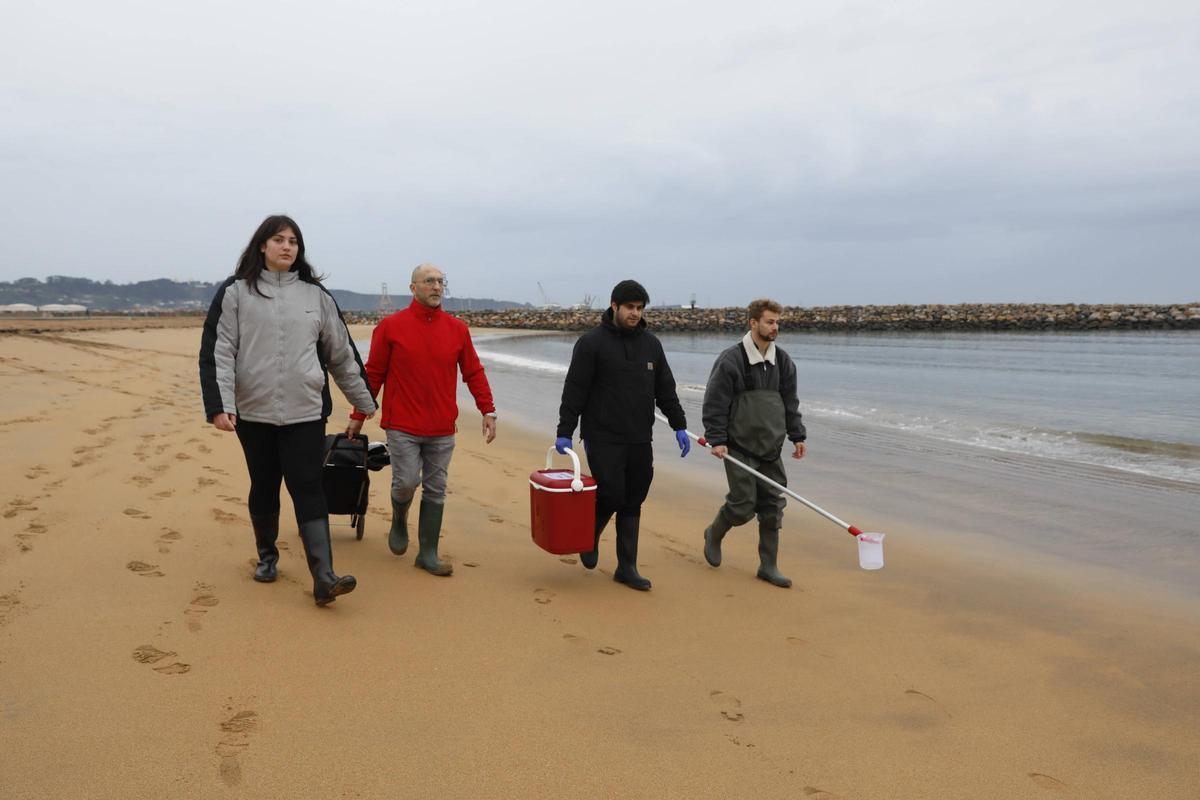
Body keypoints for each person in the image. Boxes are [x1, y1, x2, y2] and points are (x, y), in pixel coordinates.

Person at [199, 215, 378, 606]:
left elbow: (341, 354)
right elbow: (219, 352)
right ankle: (267, 557)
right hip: (254, 413)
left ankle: (324, 577)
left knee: (308, 485)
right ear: (262, 245)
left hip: (306, 411)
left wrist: (363, 401)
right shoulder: (236, 292)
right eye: (279, 239)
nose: (287, 247)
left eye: (293, 241)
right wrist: (220, 405)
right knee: (264, 484)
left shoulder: (316, 296)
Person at [346, 263, 496, 577]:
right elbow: (374, 374)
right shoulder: (391, 327)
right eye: (429, 281)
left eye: (441, 281)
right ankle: (399, 518)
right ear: (413, 288)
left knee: (436, 488)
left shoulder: (457, 329)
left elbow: (473, 372)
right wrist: (358, 415)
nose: (437, 287)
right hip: (402, 424)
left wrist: (488, 410)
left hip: (442, 427)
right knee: (405, 483)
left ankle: (428, 553)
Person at [554, 279, 690, 591]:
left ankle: (627, 567)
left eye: (640, 308)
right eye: (630, 307)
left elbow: (665, 389)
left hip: (639, 436)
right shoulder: (591, 343)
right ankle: (589, 537)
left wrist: (679, 424)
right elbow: (575, 390)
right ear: (614, 305)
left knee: (634, 497)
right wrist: (565, 431)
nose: (635, 313)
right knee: (611, 492)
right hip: (602, 435)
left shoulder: (651, 345)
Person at [700, 298, 807, 588]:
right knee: (743, 505)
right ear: (753, 322)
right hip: (739, 446)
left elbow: (790, 403)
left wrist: (797, 435)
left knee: (772, 507)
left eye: (777, 322)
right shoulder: (731, 359)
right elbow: (715, 402)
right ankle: (714, 533)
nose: (775, 327)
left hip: (771, 448)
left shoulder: (783, 362)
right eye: (770, 322)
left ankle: (768, 566)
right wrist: (717, 439)